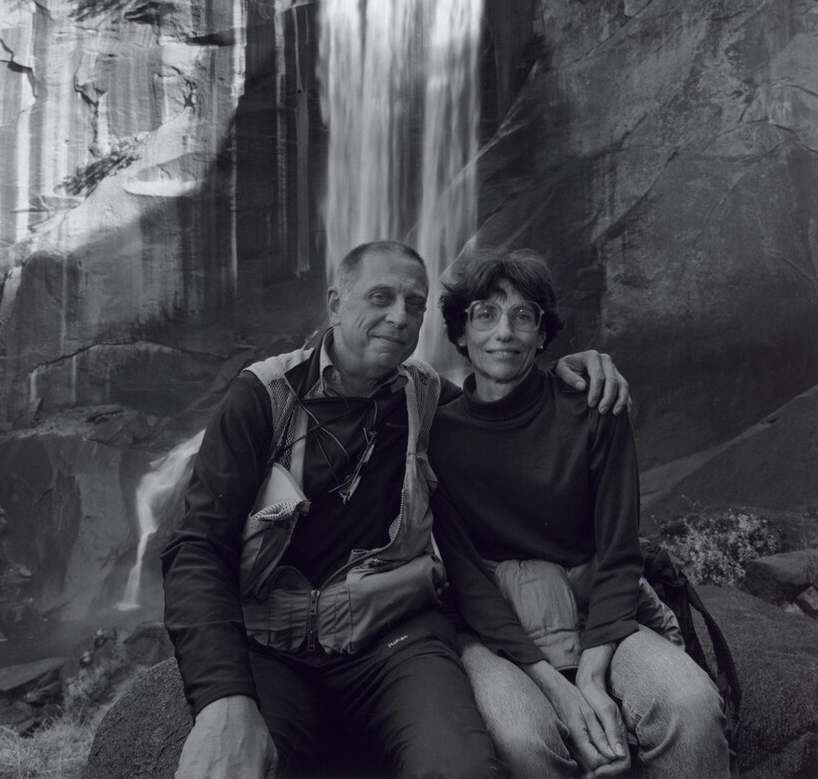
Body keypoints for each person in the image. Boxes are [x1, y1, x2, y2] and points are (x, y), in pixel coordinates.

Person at [162, 241, 630, 779]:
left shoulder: (428, 397)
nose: (399, 317)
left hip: (394, 641)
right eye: (380, 297)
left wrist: (575, 368)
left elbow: (504, 401)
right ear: (336, 304)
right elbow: (197, 546)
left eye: (415, 304)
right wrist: (223, 696)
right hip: (273, 644)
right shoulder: (262, 397)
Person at [429, 248, 731, 779]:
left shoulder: (594, 408)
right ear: (459, 332)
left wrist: (590, 678)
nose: (505, 331)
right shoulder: (438, 437)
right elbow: (467, 578)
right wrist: (556, 690)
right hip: (499, 631)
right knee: (525, 740)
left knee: (690, 706)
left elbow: (619, 551)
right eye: (485, 314)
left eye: (523, 315)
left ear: (542, 334)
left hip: (599, 613)